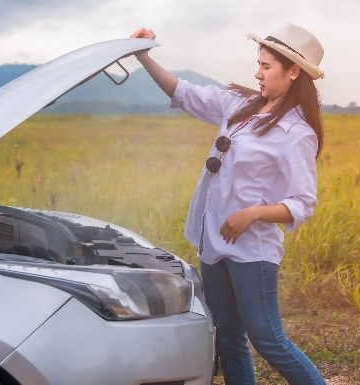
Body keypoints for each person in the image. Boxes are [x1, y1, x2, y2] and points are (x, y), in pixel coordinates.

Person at [131, 22, 327, 385]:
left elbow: (302, 204)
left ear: (293, 71)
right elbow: (185, 92)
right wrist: (143, 56)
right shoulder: (240, 106)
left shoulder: (297, 134)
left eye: (267, 66)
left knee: (269, 340)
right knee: (229, 339)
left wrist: (252, 214)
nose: (258, 73)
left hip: (252, 251)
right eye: (260, 63)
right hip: (213, 242)